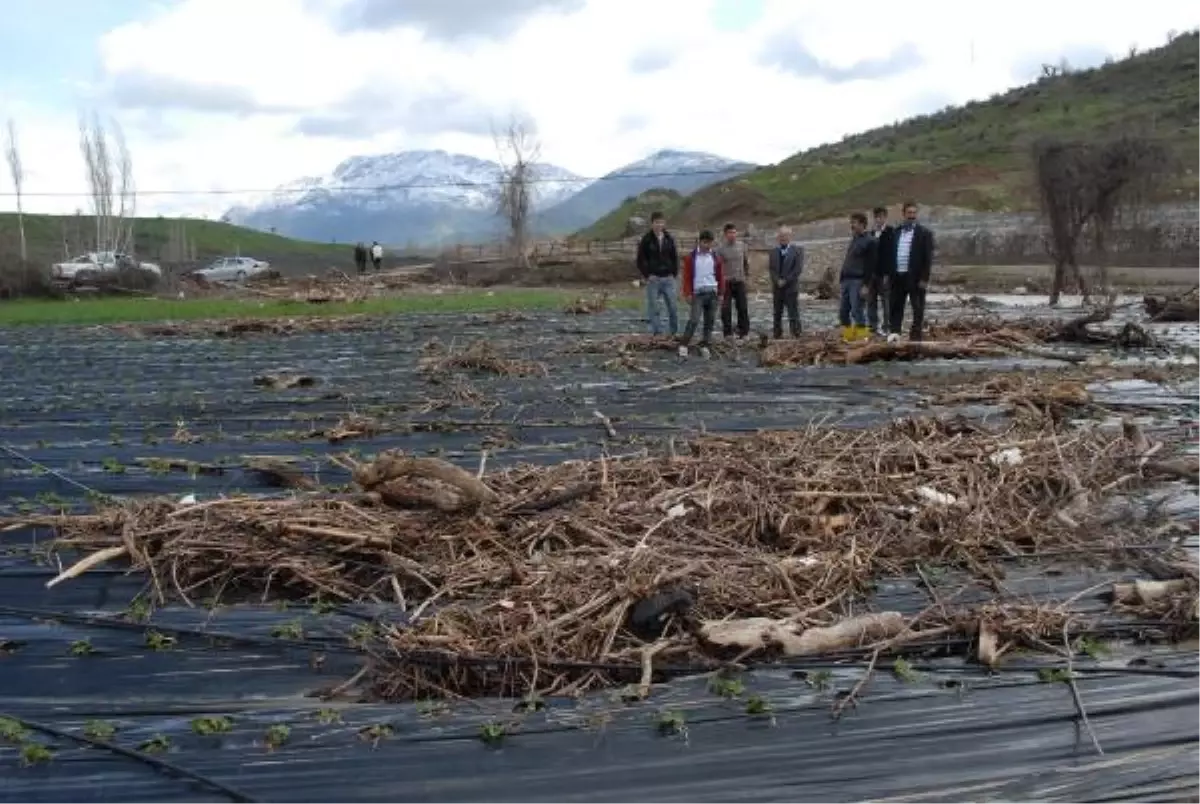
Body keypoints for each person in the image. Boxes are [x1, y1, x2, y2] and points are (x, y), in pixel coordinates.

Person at [887, 200, 935, 343]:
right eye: (909, 213)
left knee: (918, 308)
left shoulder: (925, 233)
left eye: (914, 213)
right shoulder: (896, 232)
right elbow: (891, 255)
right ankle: (895, 335)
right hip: (897, 276)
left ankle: (916, 338)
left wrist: (924, 279)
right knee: (895, 307)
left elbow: (928, 258)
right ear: (903, 214)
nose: (912, 216)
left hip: (915, 278)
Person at [678, 230, 724, 358]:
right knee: (694, 319)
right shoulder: (691, 258)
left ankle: (705, 344)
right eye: (705, 242)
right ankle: (683, 344)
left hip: (712, 292)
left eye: (710, 243)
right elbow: (686, 277)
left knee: (710, 321)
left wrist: (721, 293)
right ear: (699, 241)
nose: (707, 245)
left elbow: (720, 276)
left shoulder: (715, 257)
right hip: (698, 293)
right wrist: (687, 293)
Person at [635, 211, 680, 336]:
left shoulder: (669, 239)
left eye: (661, 222)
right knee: (654, 308)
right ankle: (657, 333)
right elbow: (640, 259)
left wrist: (674, 273)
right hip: (653, 279)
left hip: (668, 278)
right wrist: (647, 274)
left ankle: (674, 332)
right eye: (656, 222)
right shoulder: (646, 240)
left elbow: (674, 257)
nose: (659, 225)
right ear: (652, 224)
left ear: (664, 223)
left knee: (672, 307)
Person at [839, 213, 875, 342]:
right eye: (851, 223)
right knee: (843, 311)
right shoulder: (854, 239)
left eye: (854, 223)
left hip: (858, 281)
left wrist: (866, 285)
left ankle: (862, 338)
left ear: (862, 224)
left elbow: (871, 266)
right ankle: (848, 337)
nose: (852, 225)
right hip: (846, 280)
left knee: (857, 310)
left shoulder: (870, 241)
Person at [716, 223, 750, 339]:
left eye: (734, 232)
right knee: (726, 308)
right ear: (725, 234)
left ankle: (744, 332)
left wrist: (746, 277)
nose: (732, 235)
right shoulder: (720, 249)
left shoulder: (742, 246)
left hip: (739, 280)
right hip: (726, 282)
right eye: (730, 233)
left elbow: (746, 263)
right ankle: (727, 333)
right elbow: (717, 267)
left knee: (742, 307)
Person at [767, 225, 803, 339]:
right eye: (781, 236)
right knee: (777, 313)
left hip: (791, 287)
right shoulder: (773, 252)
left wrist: (786, 280)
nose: (783, 238)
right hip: (777, 287)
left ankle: (796, 333)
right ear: (778, 237)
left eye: (785, 236)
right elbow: (771, 269)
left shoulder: (797, 251)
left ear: (790, 237)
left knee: (793, 312)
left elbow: (797, 269)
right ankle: (777, 334)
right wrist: (777, 280)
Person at [868, 206, 894, 335]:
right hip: (871, 274)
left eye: (881, 217)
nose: (879, 219)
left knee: (886, 301)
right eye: (877, 217)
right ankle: (873, 327)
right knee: (871, 301)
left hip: (884, 273)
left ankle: (887, 326)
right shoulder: (871, 234)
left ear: (885, 217)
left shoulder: (890, 232)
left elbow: (891, 255)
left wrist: (888, 273)